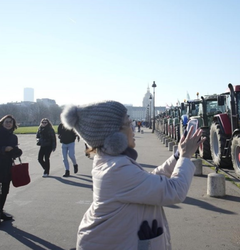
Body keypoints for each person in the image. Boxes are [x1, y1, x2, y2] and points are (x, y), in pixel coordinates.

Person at [60, 100, 205, 250]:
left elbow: (147, 181)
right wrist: (186, 156)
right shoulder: (115, 169)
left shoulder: (110, 162)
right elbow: (174, 191)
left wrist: (177, 156)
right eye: (129, 124)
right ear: (114, 135)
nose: (134, 128)